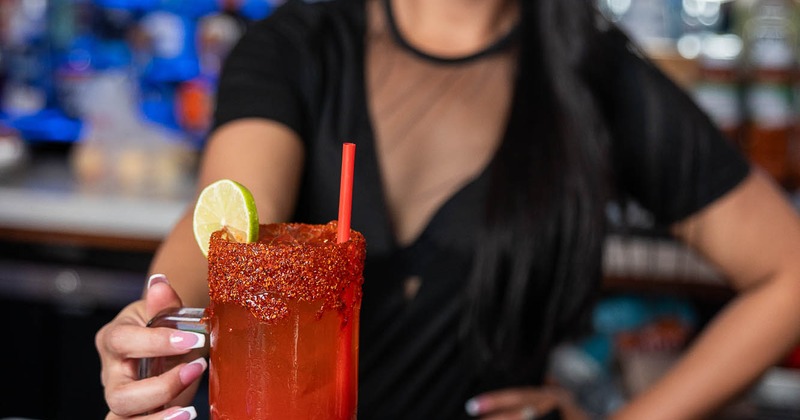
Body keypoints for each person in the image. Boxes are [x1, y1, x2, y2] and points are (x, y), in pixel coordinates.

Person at [95, 0, 800, 418]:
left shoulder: (593, 71)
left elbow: (789, 271)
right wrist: (158, 326)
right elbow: (232, 223)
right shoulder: (299, 45)